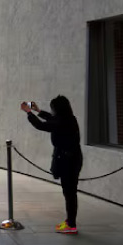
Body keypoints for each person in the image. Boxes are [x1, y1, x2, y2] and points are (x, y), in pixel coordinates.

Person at [20, 96, 82, 234]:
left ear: (57, 109)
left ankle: (71, 225)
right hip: (72, 158)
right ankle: (70, 221)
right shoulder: (69, 119)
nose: (52, 111)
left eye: (53, 108)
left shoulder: (62, 122)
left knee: (69, 193)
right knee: (69, 192)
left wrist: (29, 112)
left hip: (68, 161)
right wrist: (38, 111)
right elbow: (53, 120)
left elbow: (41, 125)